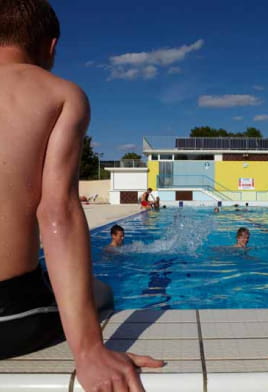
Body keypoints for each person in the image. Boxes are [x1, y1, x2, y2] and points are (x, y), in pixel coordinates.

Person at [0, 1, 163, 391]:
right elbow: (57, 212)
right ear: (50, 46)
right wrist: (89, 350)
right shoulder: (59, 93)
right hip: (9, 322)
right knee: (101, 290)